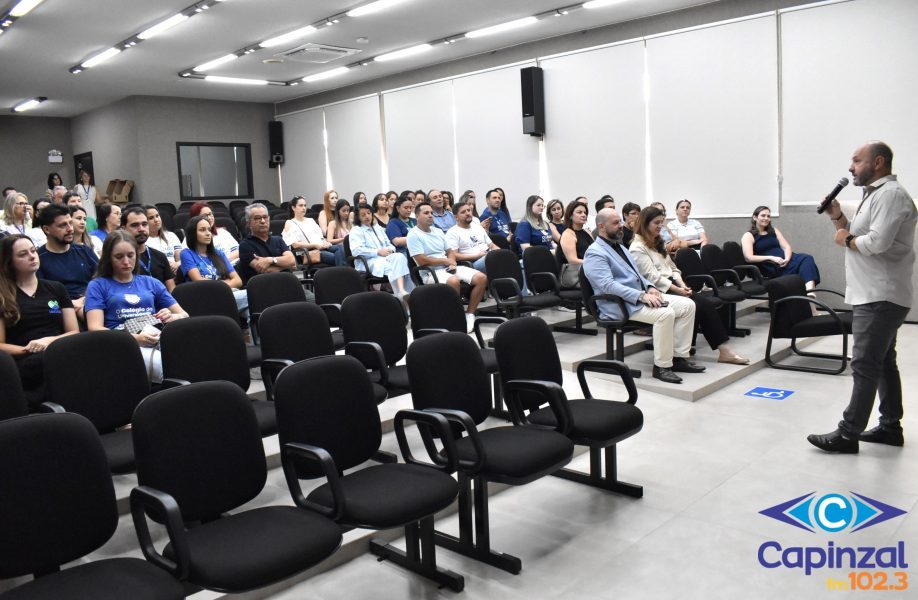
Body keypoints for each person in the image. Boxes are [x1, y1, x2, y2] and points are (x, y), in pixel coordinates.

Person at [808, 141, 916, 453]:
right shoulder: (876, 195)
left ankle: (848, 433)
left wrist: (846, 239)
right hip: (876, 293)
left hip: (879, 295)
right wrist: (837, 217)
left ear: (878, 162)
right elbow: (858, 234)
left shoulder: (890, 195)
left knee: (865, 364)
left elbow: (876, 243)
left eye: (857, 161)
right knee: (883, 362)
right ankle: (890, 427)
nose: (850, 167)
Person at [583, 208, 704, 384]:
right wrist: (641, 295)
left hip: (637, 298)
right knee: (665, 314)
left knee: (687, 305)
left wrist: (650, 287)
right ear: (601, 226)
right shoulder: (594, 252)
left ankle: (678, 358)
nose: (621, 226)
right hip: (617, 304)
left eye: (620, 222)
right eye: (615, 223)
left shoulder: (620, 247)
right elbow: (608, 285)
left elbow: (637, 274)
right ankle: (662, 367)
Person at [630, 206, 749, 365]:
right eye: (656, 223)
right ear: (645, 223)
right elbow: (653, 277)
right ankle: (716, 351)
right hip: (656, 289)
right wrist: (677, 289)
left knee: (704, 304)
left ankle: (721, 351)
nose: (660, 226)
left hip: (673, 284)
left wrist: (681, 284)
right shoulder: (637, 248)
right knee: (700, 305)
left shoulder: (657, 242)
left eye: (661, 222)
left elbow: (673, 268)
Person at [85, 231, 188, 382]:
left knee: (191, 358)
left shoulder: (150, 282)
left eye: (130, 255)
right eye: (119, 257)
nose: (126, 262)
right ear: (108, 258)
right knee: (169, 368)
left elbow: (184, 315)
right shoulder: (98, 285)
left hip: (156, 337)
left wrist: (172, 316)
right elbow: (94, 327)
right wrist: (134, 339)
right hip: (121, 344)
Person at [0, 234, 78, 393]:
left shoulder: (56, 288)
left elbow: (74, 331)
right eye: (23, 254)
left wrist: (49, 341)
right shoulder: (3, 295)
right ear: (10, 262)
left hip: (59, 350)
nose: (32, 256)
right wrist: (30, 349)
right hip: (25, 358)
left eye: (33, 250)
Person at [408, 202, 487, 330]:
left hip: (448, 268)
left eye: (431, 213)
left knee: (481, 278)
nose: (430, 215)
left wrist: (452, 261)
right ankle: (456, 316)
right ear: (417, 216)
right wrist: (445, 261)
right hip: (430, 272)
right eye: (426, 213)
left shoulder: (438, 231)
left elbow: (450, 251)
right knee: (453, 281)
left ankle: (470, 314)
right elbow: (421, 260)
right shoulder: (413, 234)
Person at [35, 204, 98, 321]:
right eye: (63, 225)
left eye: (70, 223)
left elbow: (102, 277)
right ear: (47, 229)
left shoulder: (84, 251)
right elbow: (41, 294)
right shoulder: (38, 259)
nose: (70, 229)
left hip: (90, 302)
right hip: (57, 311)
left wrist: (84, 299)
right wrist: (70, 304)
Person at [180, 215, 249, 315]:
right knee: (253, 296)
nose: (208, 233)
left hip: (227, 294)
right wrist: (224, 283)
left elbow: (238, 281)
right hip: (205, 297)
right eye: (202, 230)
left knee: (251, 311)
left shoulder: (218, 253)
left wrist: (218, 285)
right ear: (192, 233)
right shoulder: (187, 254)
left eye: (209, 229)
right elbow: (198, 281)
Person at [741, 205, 820, 291]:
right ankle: (809, 292)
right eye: (763, 215)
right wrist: (771, 258)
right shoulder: (748, 236)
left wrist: (787, 259)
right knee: (805, 268)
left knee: (807, 258)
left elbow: (786, 247)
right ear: (755, 217)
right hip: (771, 265)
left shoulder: (774, 231)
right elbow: (748, 257)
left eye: (768, 216)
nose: (766, 218)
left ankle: (810, 291)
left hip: (785, 261)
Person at [350, 204, 414, 299]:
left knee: (400, 257)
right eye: (363, 215)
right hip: (370, 261)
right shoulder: (356, 230)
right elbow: (356, 251)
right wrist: (377, 252)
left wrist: (391, 250)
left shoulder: (377, 227)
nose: (367, 216)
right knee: (396, 267)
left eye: (368, 213)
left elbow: (389, 244)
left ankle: (402, 292)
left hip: (386, 257)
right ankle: (405, 296)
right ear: (358, 217)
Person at [238, 203, 297, 284]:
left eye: (265, 217)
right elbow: (266, 270)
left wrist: (270, 260)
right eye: (257, 218)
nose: (263, 221)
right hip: (263, 286)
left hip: (288, 283)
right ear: (248, 223)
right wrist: (286, 266)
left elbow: (292, 260)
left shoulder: (278, 240)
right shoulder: (245, 245)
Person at [121, 206, 175, 292]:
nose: (141, 229)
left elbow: (172, 290)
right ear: (124, 229)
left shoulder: (160, 256)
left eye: (144, 224)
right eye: (135, 225)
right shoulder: (121, 260)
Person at [282, 195, 344, 266]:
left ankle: (342, 270)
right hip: (308, 252)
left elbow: (321, 237)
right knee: (338, 257)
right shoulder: (290, 223)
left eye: (305, 205)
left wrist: (325, 242)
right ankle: (343, 271)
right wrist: (315, 245)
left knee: (340, 248)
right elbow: (295, 244)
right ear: (293, 208)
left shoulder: (310, 220)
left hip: (322, 247)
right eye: (301, 205)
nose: (304, 208)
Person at [446, 201, 498, 272]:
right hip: (472, 263)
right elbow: (454, 255)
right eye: (463, 212)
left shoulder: (478, 227)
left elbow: (491, 245)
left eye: (468, 210)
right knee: (494, 258)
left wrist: (501, 252)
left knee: (506, 255)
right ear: (456, 217)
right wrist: (477, 256)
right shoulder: (452, 232)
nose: (468, 213)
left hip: (489, 255)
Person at [556, 200, 591, 289]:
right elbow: (572, 261)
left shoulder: (587, 232)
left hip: (587, 271)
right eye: (579, 212)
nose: (583, 215)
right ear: (570, 216)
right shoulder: (568, 234)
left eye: (585, 213)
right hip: (574, 277)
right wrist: (595, 262)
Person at [144, 205, 182, 271]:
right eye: (151, 218)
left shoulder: (171, 235)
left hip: (175, 272)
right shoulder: (143, 241)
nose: (156, 220)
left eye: (157, 216)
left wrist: (177, 264)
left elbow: (181, 259)